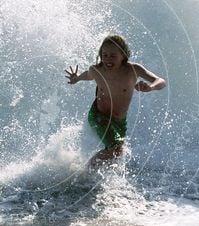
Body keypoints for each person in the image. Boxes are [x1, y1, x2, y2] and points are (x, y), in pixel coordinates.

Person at [65, 34, 166, 165]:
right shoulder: (97, 70)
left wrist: (150, 87)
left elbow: (161, 82)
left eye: (113, 55)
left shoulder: (133, 70)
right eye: (104, 55)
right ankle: (86, 172)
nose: (108, 59)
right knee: (116, 150)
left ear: (123, 55)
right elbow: (88, 75)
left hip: (119, 121)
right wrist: (76, 78)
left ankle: (93, 176)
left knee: (116, 154)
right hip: (99, 116)